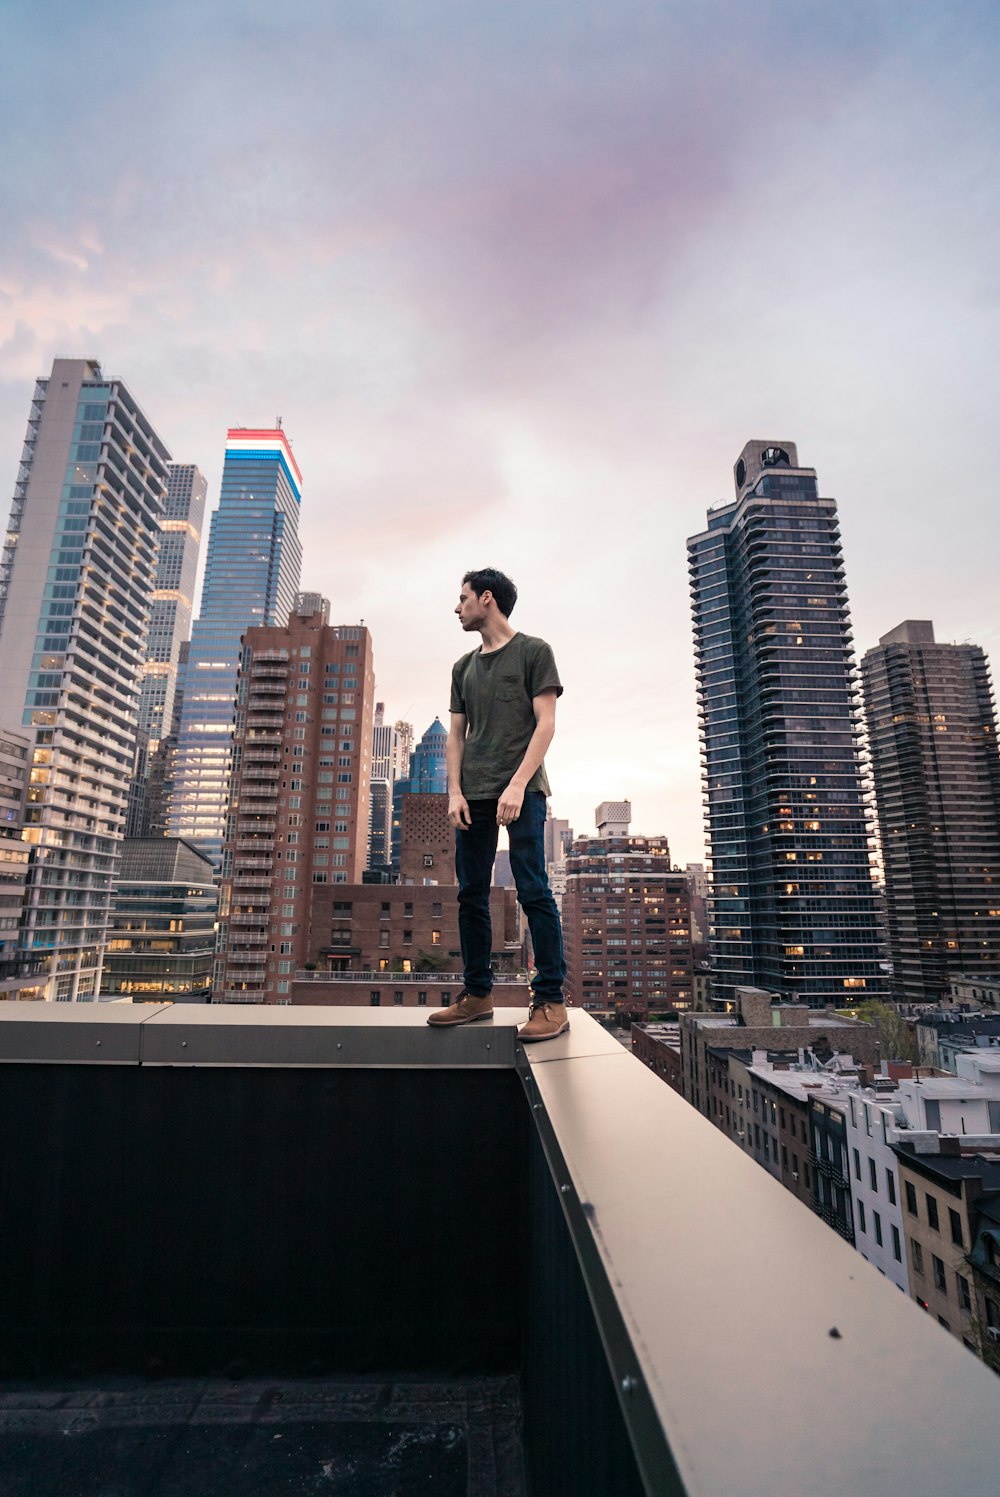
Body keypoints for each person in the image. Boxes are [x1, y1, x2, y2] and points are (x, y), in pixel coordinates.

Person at [427, 567, 569, 1042]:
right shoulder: (461, 668)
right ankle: (477, 996)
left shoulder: (534, 651)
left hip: (522, 792)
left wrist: (516, 784)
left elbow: (545, 724)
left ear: (486, 599)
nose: (456, 606)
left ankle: (550, 1001)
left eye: (462, 597)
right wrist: (454, 792)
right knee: (470, 894)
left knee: (533, 889)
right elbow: (456, 736)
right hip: (473, 796)